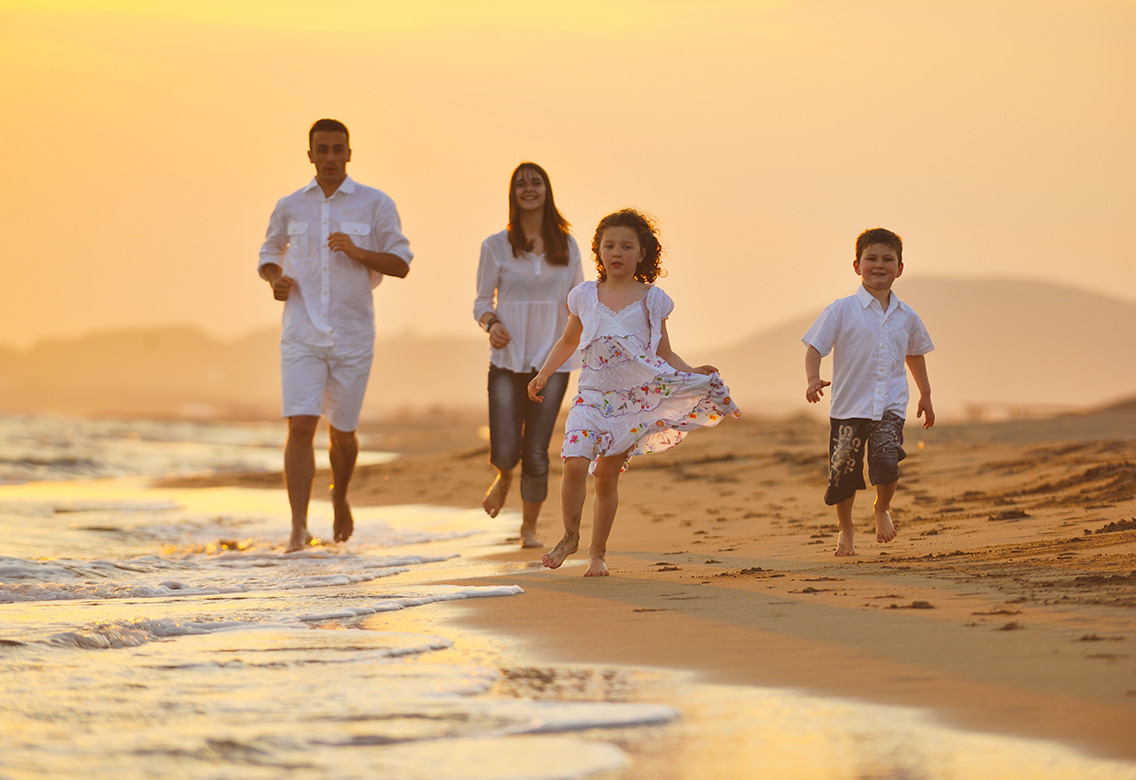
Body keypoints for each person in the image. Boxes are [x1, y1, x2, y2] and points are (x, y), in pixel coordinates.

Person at [527, 209, 740, 576]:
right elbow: (568, 340)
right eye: (609, 245)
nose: (617, 252)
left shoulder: (652, 300)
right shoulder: (584, 296)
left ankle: (598, 553)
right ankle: (570, 536)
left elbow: (664, 352)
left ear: (641, 253)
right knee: (574, 462)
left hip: (632, 404)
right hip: (590, 397)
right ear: (598, 251)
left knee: (606, 476)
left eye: (627, 246)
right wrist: (544, 373)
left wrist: (691, 372)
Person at [258, 118, 413, 553]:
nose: (329, 157)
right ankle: (297, 529)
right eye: (321, 150)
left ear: (349, 153)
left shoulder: (376, 203)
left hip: (353, 335)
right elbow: (269, 253)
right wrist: (275, 280)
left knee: (342, 433)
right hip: (301, 331)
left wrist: (358, 251)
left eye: (336, 149)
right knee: (301, 425)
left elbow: (401, 262)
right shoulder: (290, 205)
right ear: (309, 155)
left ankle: (340, 495)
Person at [802, 227, 934, 557]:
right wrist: (812, 378)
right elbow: (815, 347)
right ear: (856, 265)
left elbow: (914, 353)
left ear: (900, 268)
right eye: (871, 258)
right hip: (848, 407)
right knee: (843, 475)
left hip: (890, 406)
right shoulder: (841, 309)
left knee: (887, 464)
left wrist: (926, 394)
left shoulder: (907, 315)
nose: (879, 264)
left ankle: (881, 508)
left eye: (887, 259)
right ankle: (845, 531)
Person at [473, 163, 584, 548]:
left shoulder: (567, 246)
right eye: (520, 184)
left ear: (546, 190)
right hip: (507, 361)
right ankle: (504, 476)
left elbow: (578, 302)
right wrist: (491, 324)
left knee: (536, 450)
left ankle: (528, 528)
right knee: (505, 449)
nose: (528, 188)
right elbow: (481, 302)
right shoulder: (495, 246)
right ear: (512, 194)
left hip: (553, 363)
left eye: (535, 182)